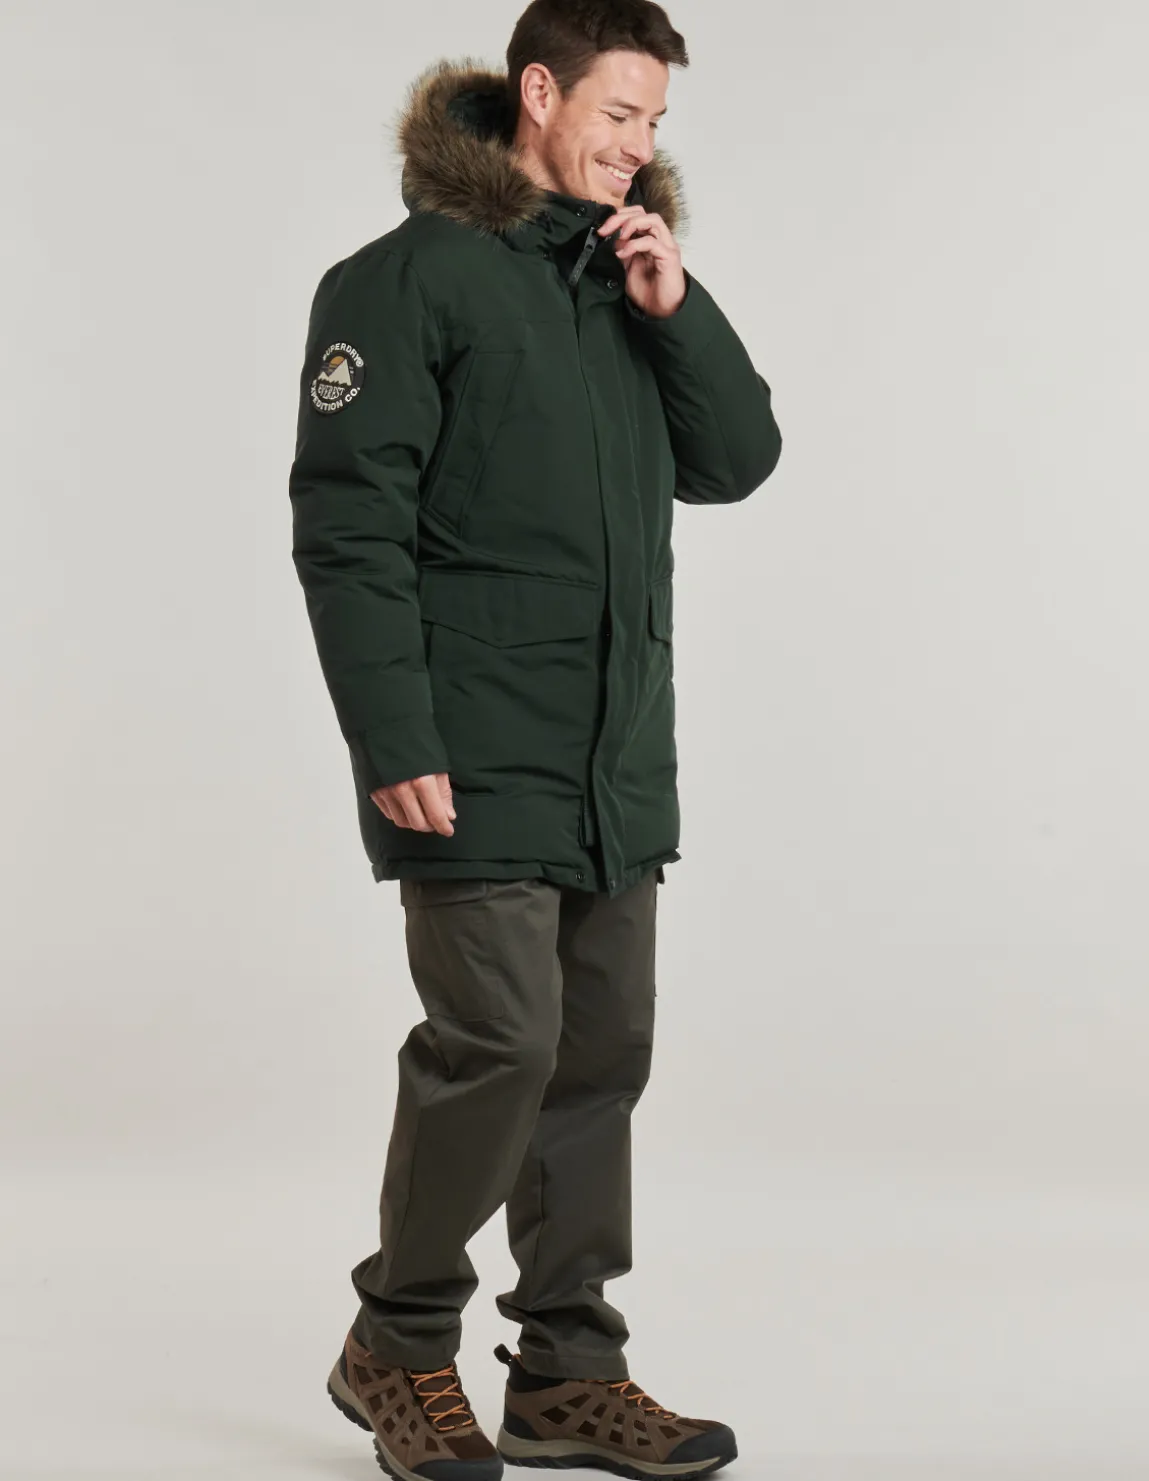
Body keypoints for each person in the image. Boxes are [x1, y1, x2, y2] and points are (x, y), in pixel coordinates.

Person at [288, 2, 781, 1476]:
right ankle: (398, 1343)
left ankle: (567, 1372)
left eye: (657, 125)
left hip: (613, 756)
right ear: (541, 91)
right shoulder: (401, 283)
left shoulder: (625, 280)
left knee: (599, 1059)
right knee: (500, 1044)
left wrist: (675, 307)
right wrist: (393, 735)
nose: (639, 146)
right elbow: (349, 528)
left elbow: (738, 460)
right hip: (469, 747)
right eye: (620, 114)